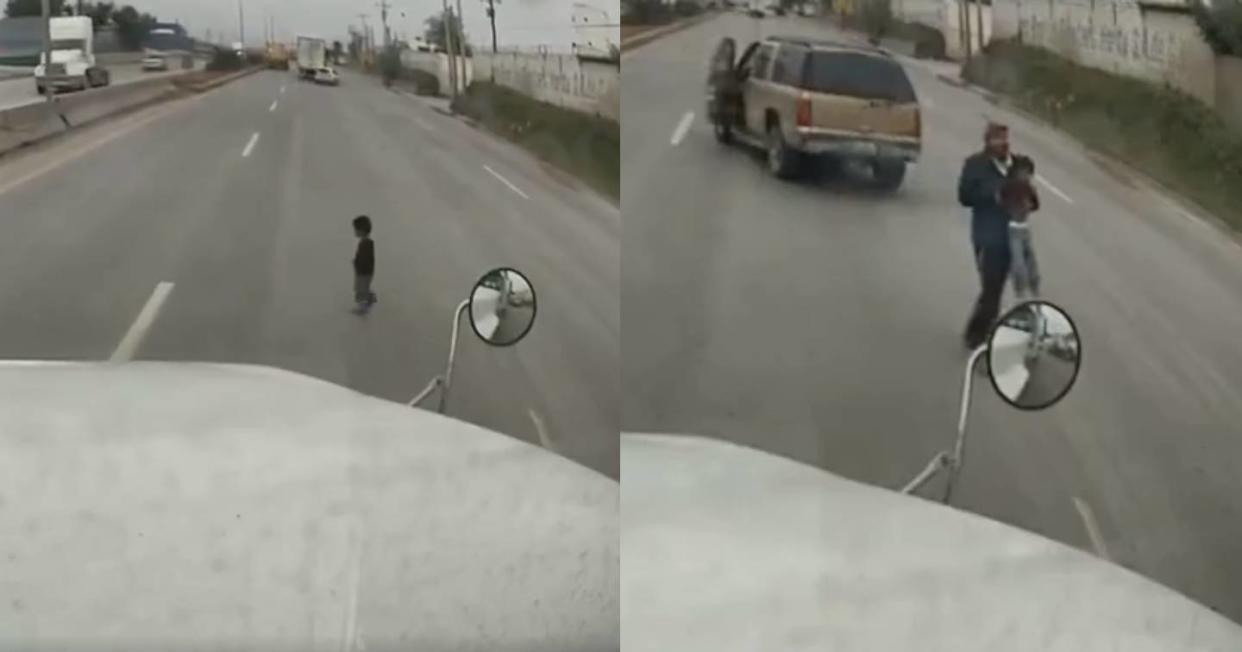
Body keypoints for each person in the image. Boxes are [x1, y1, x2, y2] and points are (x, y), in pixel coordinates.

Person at [958, 122, 1016, 349]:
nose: (1004, 143)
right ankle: (978, 338)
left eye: (1006, 138)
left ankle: (976, 330)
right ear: (988, 141)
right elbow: (964, 197)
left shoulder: (1015, 165)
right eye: (998, 139)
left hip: (1010, 237)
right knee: (991, 288)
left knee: (995, 288)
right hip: (986, 236)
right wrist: (993, 195)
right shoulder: (975, 165)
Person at [1001, 155, 1041, 300]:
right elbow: (1000, 202)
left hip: (1024, 228)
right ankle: (1020, 291)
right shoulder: (1008, 186)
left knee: (1030, 260)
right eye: (1024, 172)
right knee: (1018, 262)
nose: (1027, 176)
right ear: (1017, 172)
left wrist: (1029, 206)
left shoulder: (1029, 188)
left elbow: (1036, 205)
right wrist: (1012, 209)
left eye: (1028, 173)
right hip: (1012, 228)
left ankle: (1034, 286)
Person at [351, 215, 377, 314]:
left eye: (356, 230)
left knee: (360, 290)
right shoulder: (365, 242)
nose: (355, 232)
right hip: (364, 271)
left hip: (364, 272)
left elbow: (366, 259)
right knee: (363, 288)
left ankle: (363, 309)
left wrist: (358, 264)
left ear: (361, 231)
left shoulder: (367, 243)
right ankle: (370, 297)